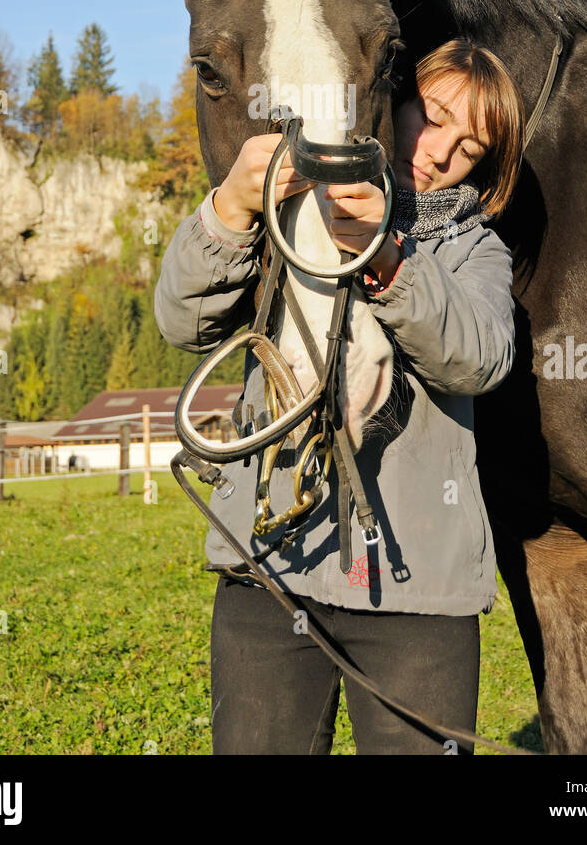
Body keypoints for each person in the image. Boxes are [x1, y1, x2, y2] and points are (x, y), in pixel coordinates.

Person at [155, 37, 525, 755]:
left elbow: (478, 359)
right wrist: (230, 208)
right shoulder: (285, 213)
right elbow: (182, 321)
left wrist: (387, 258)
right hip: (269, 570)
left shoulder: (474, 250)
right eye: (434, 114)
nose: (442, 149)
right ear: (392, 100)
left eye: (471, 146)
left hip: (414, 592)